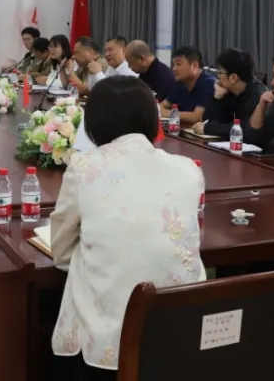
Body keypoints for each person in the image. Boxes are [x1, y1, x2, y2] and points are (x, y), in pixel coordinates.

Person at [51, 76, 205, 379]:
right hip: (179, 334)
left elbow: (61, 252)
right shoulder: (189, 168)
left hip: (108, 346)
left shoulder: (84, 167)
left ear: (94, 121)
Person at [192, 48, 266, 139]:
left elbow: (245, 130)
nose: (218, 77)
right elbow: (208, 121)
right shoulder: (227, 91)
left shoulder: (257, 95)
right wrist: (217, 97)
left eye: (220, 73)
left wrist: (208, 129)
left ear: (233, 77)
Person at [160, 46, 216, 125]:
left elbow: (196, 117)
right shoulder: (180, 83)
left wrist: (166, 113)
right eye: (173, 64)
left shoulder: (209, 84)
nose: (174, 69)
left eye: (178, 64)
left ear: (194, 65)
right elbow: (162, 106)